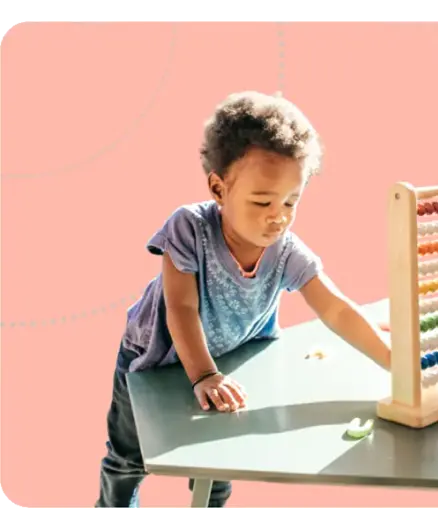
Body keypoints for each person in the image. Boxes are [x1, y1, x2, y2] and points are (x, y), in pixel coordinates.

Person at [96, 91, 392, 507]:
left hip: (228, 360)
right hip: (153, 360)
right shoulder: (189, 228)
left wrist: (394, 362)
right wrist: (203, 375)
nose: (279, 215)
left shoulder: (287, 251)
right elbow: (181, 307)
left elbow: (335, 307)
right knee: (129, 459)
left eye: (292, 201)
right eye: (262, 201)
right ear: (219, 188)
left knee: (217, 463)